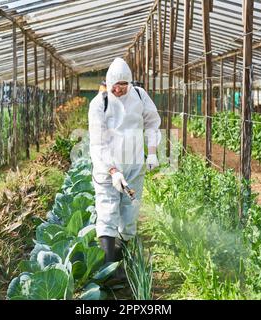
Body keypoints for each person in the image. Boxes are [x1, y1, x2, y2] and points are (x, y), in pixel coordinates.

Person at [88, 58, 161, 281]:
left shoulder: (139, 96)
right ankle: (110, 268)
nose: (119, 89)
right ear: (108, 83)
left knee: (129, 213)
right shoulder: (99, 104)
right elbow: (98, 143)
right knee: (108, 211)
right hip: (107, 169)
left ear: (130, 83)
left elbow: (152, 122)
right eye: (115, 85)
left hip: (134, 165)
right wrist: (112, 171)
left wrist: (152, 151)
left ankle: (125, 258)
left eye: (123, 84)